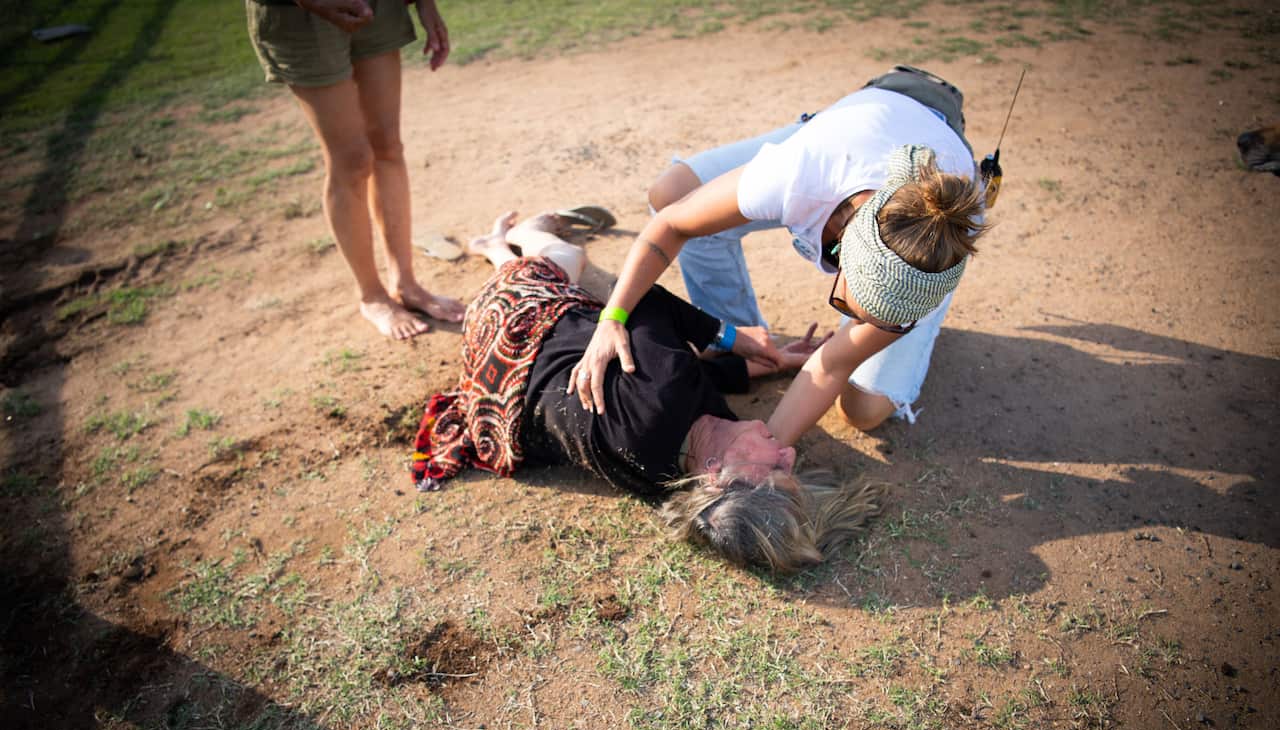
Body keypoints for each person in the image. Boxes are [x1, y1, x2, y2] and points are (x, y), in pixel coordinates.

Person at [410, 212, 883, 573]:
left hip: (513, 330)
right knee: (610, 317)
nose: (789, 456)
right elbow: (693, 381)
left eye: (774, 470)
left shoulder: (666, 394)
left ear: (715, 475)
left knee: (573, 265)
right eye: (790, 469)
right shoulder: (676, 470)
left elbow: (646, 300)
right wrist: (768, 364)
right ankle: (497, 249)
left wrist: (737, 339)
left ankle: (522, 237)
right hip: (497, 407)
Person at [568, 66, 989, 445]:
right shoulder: (800, 175)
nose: (858, 323)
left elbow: (830, 365)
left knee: (862, 410)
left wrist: (764, 448)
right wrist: (613, 318)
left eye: (877, 319)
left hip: (914, 158)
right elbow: (673, 223)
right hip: (852, 124)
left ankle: (912, 335)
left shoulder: (929, 263)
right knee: (671, 195)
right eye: (850, 304)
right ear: (841, 247)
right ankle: (735, 333)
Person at [245, 0, 466, 340]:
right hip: (299, 13)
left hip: (378, 6)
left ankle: (405, 282)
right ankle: (372, 295)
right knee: (351, 159)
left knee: (388, 146)